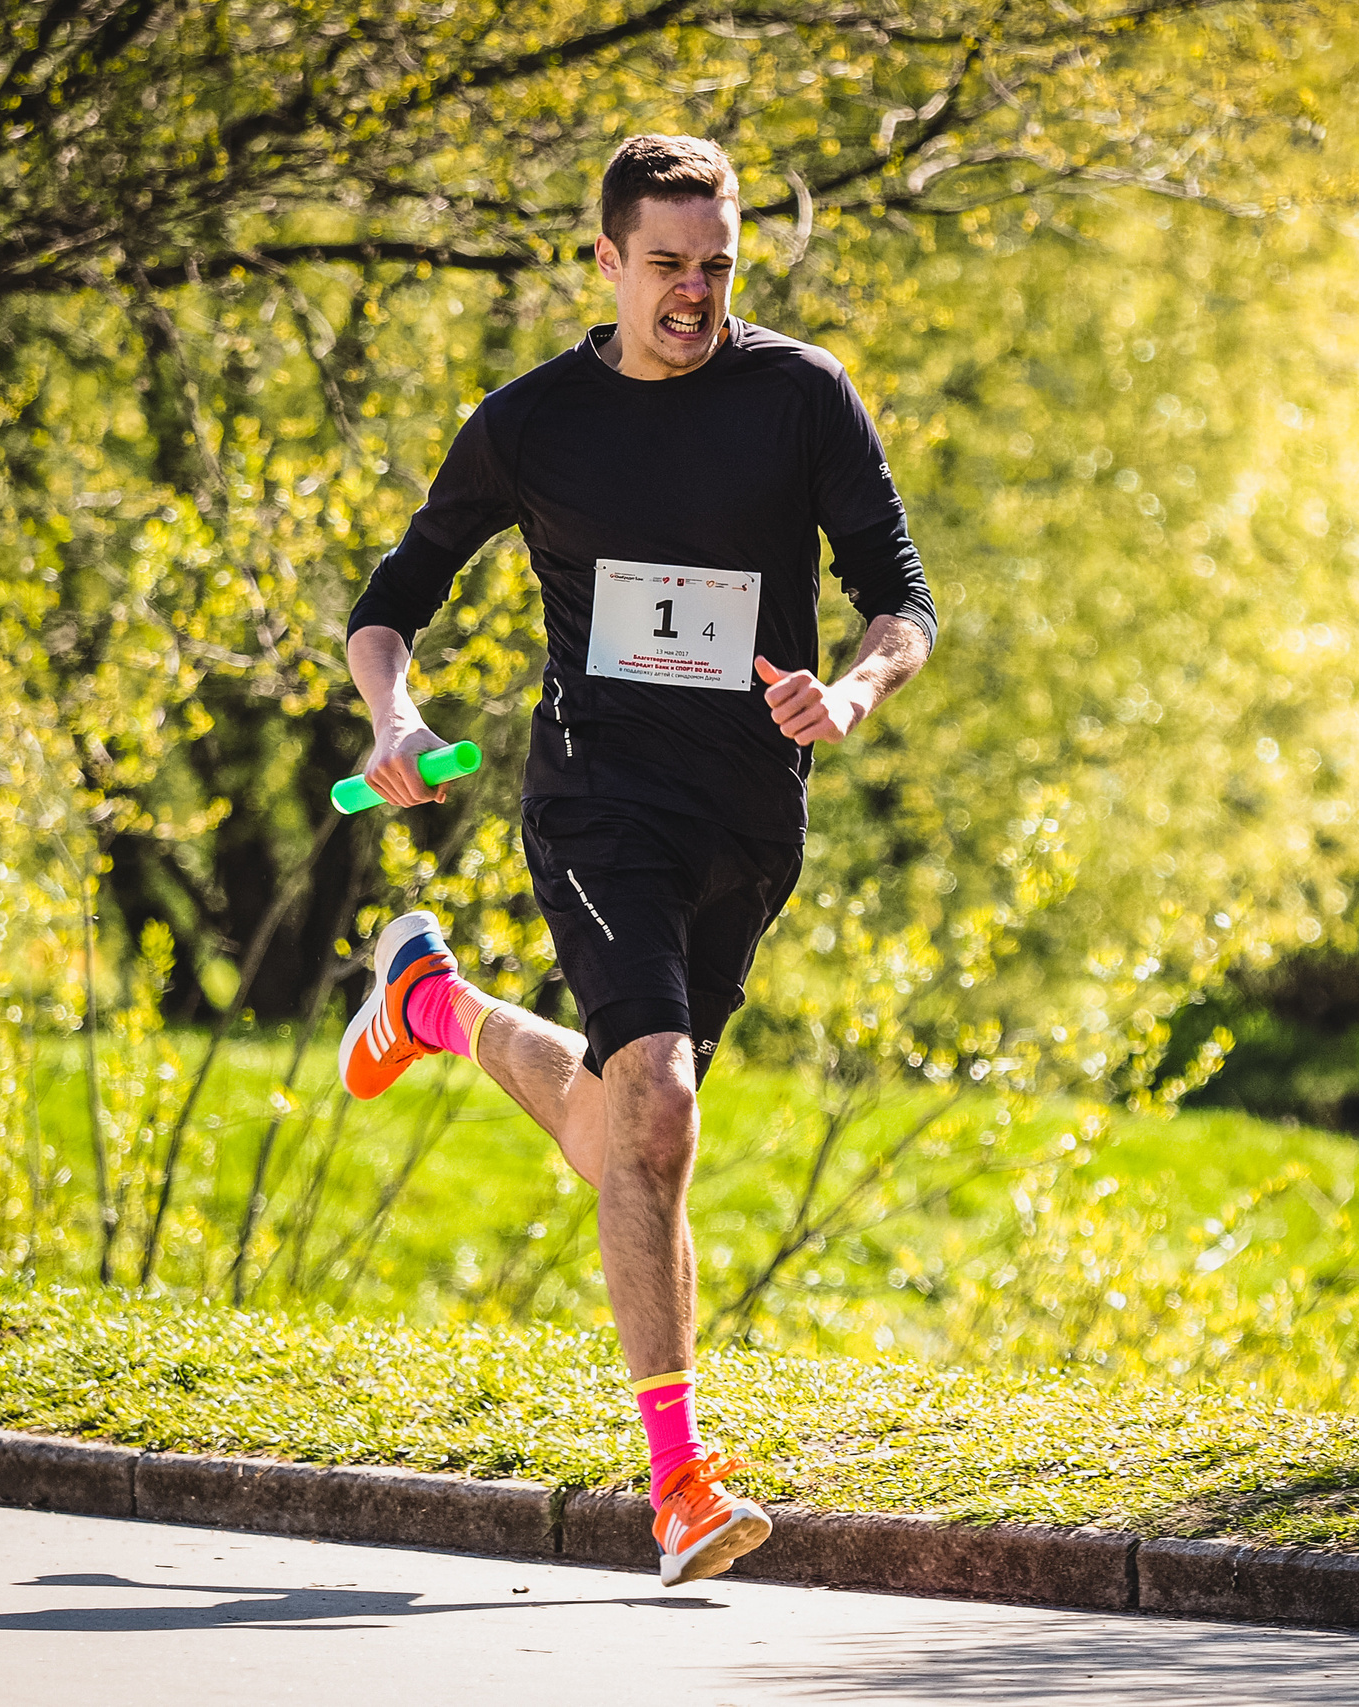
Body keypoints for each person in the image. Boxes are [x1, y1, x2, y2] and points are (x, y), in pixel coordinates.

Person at [335, 134, 936, 1588]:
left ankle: (435, 1007)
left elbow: (901, 601)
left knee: (626, 1139)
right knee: (659, 1108)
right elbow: (392, 598)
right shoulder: (534, 421)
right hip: (600, 801)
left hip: (750, 813)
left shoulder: (800, 395)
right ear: (603, 262)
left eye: (719, 265)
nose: (696, 294)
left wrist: (849, 694)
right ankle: (677, 1484)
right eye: (667, 265)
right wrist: (395, 718)